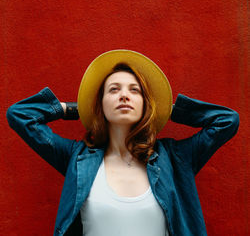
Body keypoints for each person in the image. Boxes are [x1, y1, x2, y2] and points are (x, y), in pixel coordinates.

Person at [6, 49, 239, 236]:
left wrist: (166, 109)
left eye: (135, 91)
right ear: (101, 104)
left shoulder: (175, 158)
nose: (124, 96)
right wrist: (73, 109)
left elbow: (227, 121)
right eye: (113, 90)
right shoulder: (77, 158)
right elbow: (20, 115)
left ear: (145, 103)